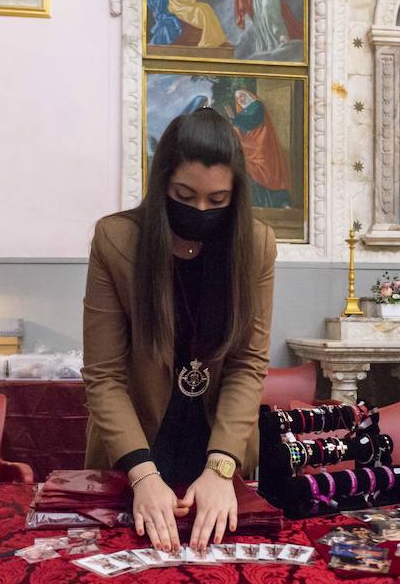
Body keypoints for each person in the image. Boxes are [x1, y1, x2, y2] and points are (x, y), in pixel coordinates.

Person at [83, 107, 276, 554]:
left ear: (236, 196)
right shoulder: (117, 240)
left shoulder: (255, 245)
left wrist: (222, 467)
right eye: (184, 196)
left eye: (217, 201)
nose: (200, 211)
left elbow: (247, 364)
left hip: (218, 454)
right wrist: (143, 474)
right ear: (162, 184)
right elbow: (104, 376)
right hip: (134, 452)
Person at [230, 88, 292, 207]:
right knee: (250, 170)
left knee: (268, 170)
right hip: (250, 145)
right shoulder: (242, 113)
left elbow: (252, 120)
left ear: (248, 95)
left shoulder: (256, 106)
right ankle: (260, 202)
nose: (240, 100)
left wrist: (235, 119)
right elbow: (241, 129)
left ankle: (280, 201)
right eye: (238, 99)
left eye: (242, 96)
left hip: (263, 143)